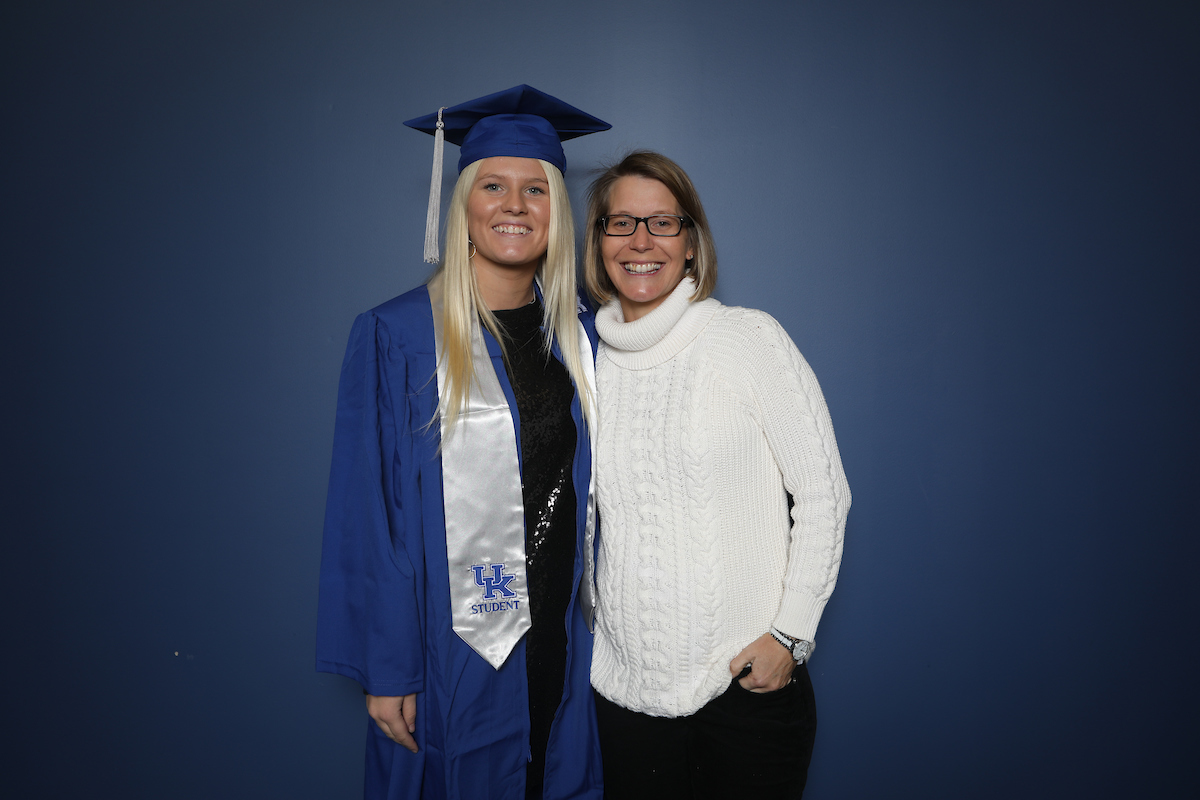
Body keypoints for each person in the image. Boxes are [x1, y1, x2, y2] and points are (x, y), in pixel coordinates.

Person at [316, 85, 609, 800]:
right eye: (494, 186)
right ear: (463, 206)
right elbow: (369, 513)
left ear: (556, 210)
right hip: (453, 642)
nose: (515, 205)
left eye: (536, 189)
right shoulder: (399, 335)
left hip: (565, 639)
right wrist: (389, 671)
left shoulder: (586, 333)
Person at [583, 151, 851, 799]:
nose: (641, 241)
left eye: (662, 223)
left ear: (693, 244)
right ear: (597, 245)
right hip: (625, 694)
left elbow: (822, 494)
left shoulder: (745, 338)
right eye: (620, 223)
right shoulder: (583, 358)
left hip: (745, 686)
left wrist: (791, 633)